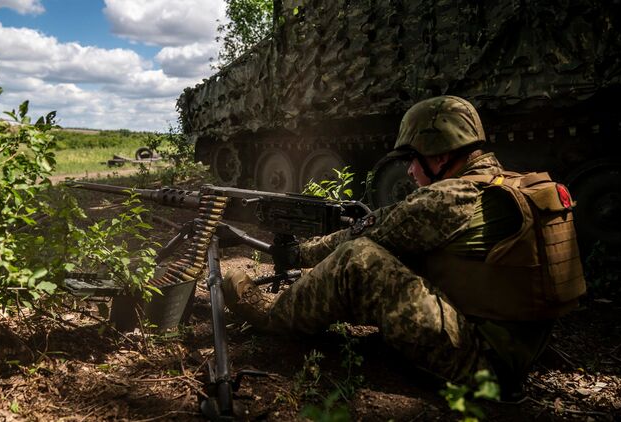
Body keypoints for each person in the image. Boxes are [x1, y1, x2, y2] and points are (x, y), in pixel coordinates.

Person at [221, 95, 587, 399]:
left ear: (440, 156)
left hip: (485, 367)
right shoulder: (512, 183)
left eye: (414, 158)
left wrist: (299, 254)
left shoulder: (452, 196)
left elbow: (364, 235)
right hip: (517, 350)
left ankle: (272, 316)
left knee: (357, 260)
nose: (410, 171)